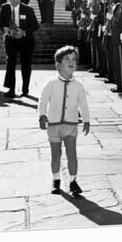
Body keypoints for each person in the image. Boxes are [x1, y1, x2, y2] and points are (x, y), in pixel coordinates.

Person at [38, 46, 90, 195]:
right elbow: (43, 100)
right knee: (56, 155)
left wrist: (86, 120)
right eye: (67, 59)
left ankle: (73, 181)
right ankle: (56, 180)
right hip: (53, 126)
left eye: (74, 59)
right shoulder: (51, 83)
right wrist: (42, 115)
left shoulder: (78, 86)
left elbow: (83, 104)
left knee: (72, 154)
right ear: (58, 64)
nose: (71, 61)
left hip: (71, 126)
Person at [0, 0, 39, 98]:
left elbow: (35, 26)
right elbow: (0, 22)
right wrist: (5, 29)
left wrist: (24, 32)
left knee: (26, 64)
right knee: (10, 63)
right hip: (10, 40)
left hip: (26, 40)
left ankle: (25, 89)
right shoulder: (4, 7)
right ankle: (11, 89)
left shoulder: (28, 9)